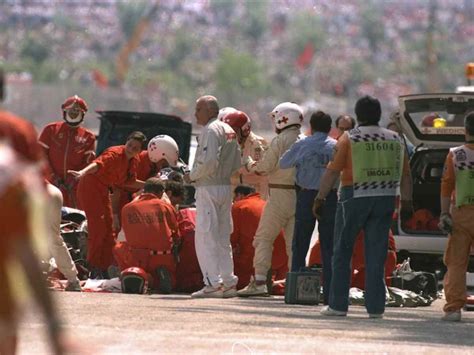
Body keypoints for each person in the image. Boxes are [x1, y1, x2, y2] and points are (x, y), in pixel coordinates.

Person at [314, 95, 413, 318]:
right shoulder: (396, 138)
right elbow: (406, 176)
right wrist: (407, 202)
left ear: (358, 115)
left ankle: (338, 306)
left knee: (342, 251)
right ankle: (376, 309)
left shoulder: (350, 138)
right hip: (386, 198)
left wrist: (320, 198)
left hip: (353, 197)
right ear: (378, 115)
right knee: (377, 255)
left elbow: (332, 172)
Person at [0, 70, 81, 292]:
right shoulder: (21, 128)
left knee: (44, 237)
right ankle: (70, 279)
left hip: (37, 192)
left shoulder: (17, 130)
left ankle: (70, 279)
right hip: (43, 190)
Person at [237, 102, 302, 297]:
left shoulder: (280, 140)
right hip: (298, 195)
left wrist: (249, 164)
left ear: (283, 119)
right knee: (294, 244)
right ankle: (294, 284)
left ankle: (259, 282)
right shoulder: (304, 139)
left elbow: (264, 167)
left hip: (279, 194)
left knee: (263, 239)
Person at [183, 95, 241, 298]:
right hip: (225, 187)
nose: (195, 113)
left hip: (208, 188)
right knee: (223, 237)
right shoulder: (230, 130)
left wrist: (191, 176)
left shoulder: (211, 129)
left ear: (209, 111)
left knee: (206, 237)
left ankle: (212, 284)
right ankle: (228, 282)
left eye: (198, 109)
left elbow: (207, 163)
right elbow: (236, 162)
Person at [69, 131, 147, 278]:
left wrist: (149, 184)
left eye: (135, 147)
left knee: (110, 230)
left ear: (140, 150)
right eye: (130, 145)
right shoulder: (115, 153)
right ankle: (92, 266)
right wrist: (82, 172)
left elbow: (128, 182)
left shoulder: (134, 160)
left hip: (104, 189)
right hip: (90, 187)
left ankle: (104, 266)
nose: (131, 149)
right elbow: (97, 165)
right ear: (126, 142)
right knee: (97, 227)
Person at [279, 110, 337, 304]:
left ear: (311, 127)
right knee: (329, 246)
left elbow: (284, 163)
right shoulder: (335, 146)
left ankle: (296, 290)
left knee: (300, 242)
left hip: (306, 195)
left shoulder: (303, 144)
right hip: (329, 197)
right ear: (330, 128)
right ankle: (330, 294)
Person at [113, 177, 181, 293]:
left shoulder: (127, 208)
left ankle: (138, 275)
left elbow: (125, 234)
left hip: (137, 256)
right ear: (161, 193)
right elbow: (176, 232)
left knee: (118, 247)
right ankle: (156, 278)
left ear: (144, 190)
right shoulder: (165, 206)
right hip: (161, 255)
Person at [438, 111, 474, 322]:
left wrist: (444, 214)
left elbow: (446, 186)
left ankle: (453, 309)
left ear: (465, 130)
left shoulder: (456, 154)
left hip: (461, 214)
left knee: (456, 263)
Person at [39, 95, 96, 208]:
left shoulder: (88, 137)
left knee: (72, 220)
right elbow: (40, 156)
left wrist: (73, 180)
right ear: (64, 111)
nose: (73, 113)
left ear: (82, 113)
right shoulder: (50, 130)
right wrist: (52, 177)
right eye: (70, 110)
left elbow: (88, 164)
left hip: (73, 189)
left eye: (77, 111)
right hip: (49, 185)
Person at [231, 185, 288, 291]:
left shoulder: (239, 206)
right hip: (282, 257)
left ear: (240, 195)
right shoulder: (265, 204)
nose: (234, 201)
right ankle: (275, 284)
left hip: (259, 256)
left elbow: (231, 238)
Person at [219, 109, 269, 198]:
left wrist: (237, 178)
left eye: (233, 131)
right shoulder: (227, 145)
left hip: (255, 197)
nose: (229, 135)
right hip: (232, 197)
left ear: (245, 130)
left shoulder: (258, 145)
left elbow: (262, 176)